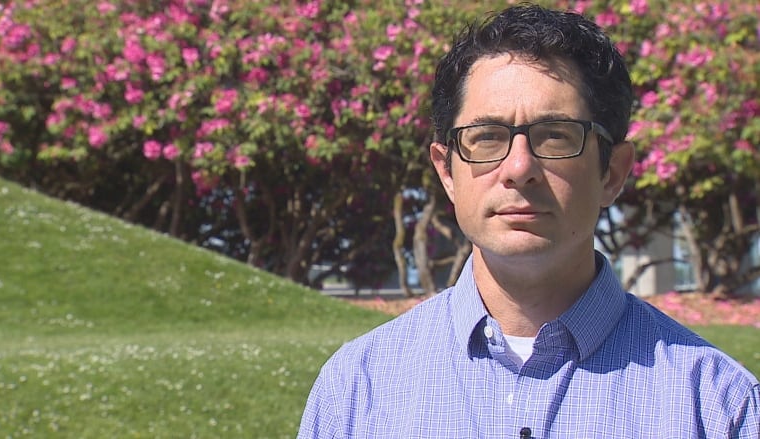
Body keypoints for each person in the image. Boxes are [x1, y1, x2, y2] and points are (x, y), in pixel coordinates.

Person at [298, 5, 760, 438]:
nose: (519, 167)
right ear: (447, 171)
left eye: (555, 136)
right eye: (487, 137)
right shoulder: (357, 391)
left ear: (613, 173)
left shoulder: (715, 405)